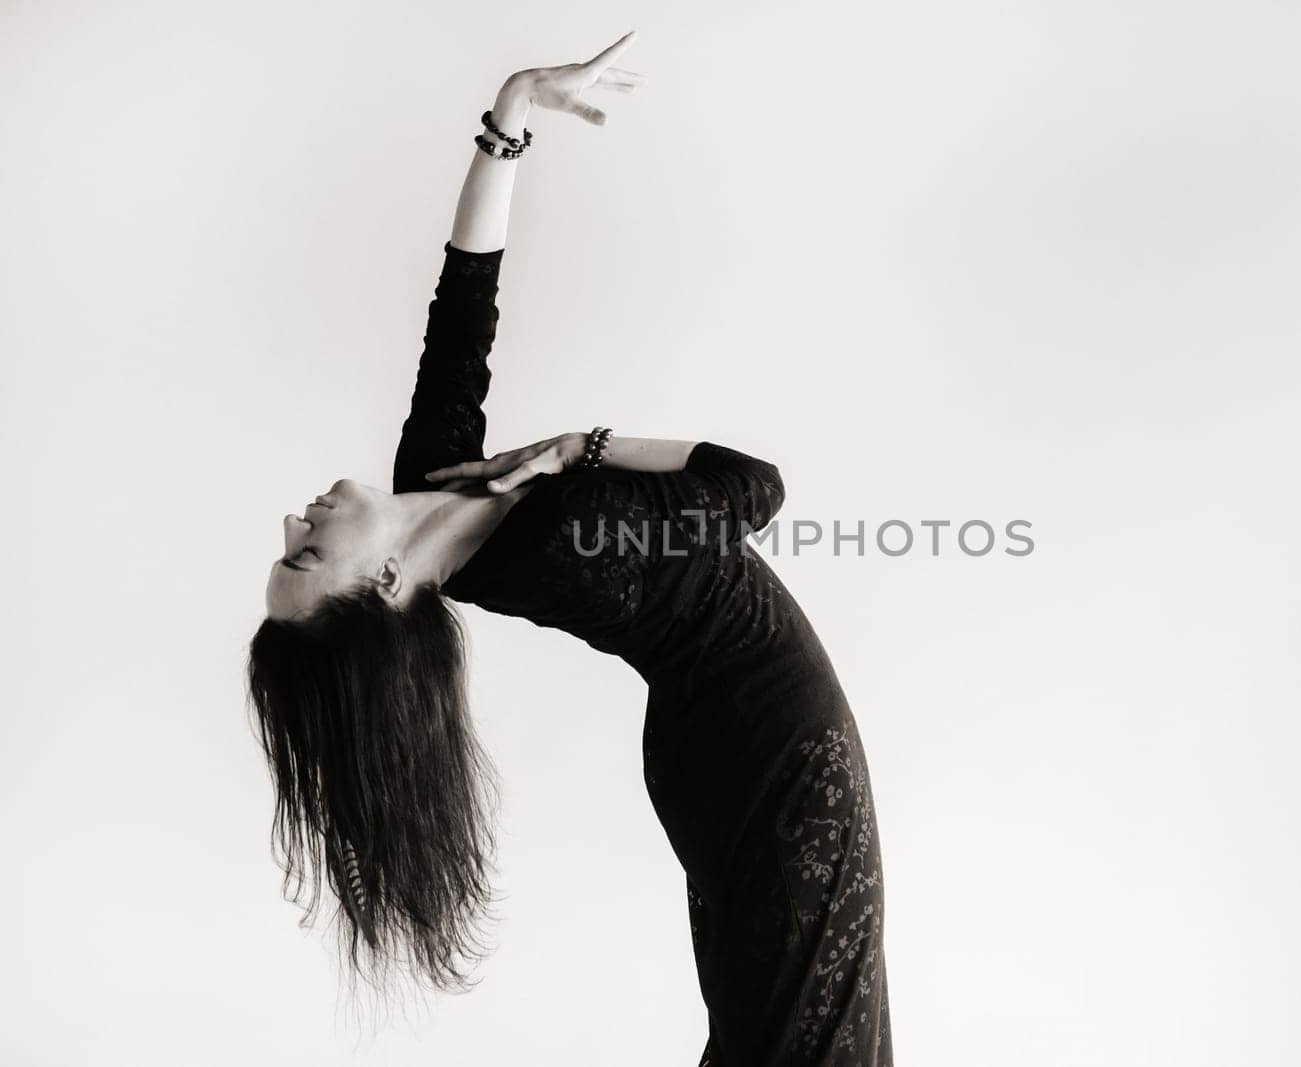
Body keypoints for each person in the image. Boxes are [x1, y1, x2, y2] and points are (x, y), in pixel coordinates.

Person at [246, 33, 892, 1065]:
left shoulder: (437, 478)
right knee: (804, 1040)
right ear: (378, 581)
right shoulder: (567, 553)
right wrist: (583, 445)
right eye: (304, 557)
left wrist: (510, 116)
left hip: (714, 742)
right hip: (778, 750)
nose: (296, 523)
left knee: (774, 1028)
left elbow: (463, 307)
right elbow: (753, 486)